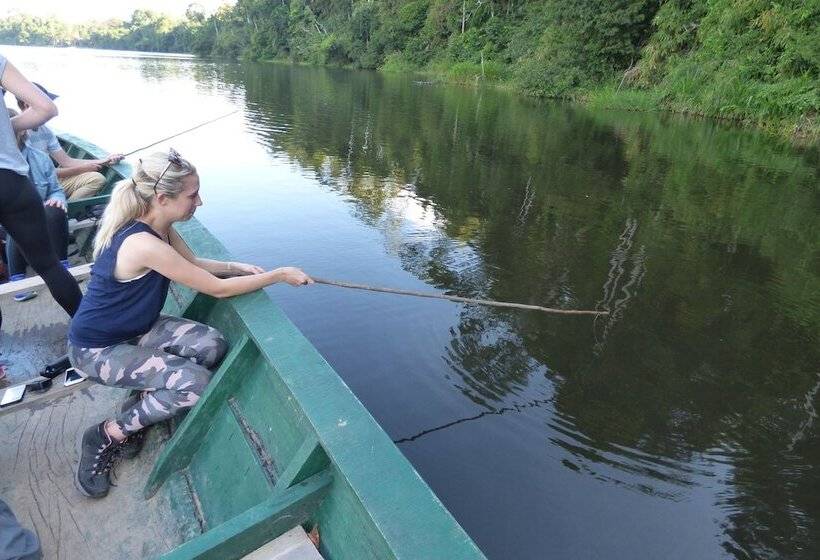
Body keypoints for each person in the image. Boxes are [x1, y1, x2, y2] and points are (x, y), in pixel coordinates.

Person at [69, 148, 313, 498]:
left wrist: (236, 266)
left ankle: (144, 398)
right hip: (96, 350)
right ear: (163, 198)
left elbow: (193, 262)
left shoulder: (158, 226)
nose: (200, 201)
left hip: (133, 332)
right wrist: (277, 275)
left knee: (211, 344)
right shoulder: (142, 243)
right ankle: (109, 433)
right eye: (192, 195)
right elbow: (216, 290)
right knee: (195, 384)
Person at [0, 51, 67, 560]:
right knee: (50, 265)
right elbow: (44, 110)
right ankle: (92, 330)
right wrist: (9, 122)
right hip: (11, 178)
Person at [15, 83, 123, 201]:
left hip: (49, 181)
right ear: (27, 105)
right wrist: (82, 169)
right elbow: (36, 172)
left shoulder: (46, 131)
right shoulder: (16, 133)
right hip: (29, 186)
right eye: (48, 105)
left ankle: (63, 209)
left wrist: (105, 160)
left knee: (97, 179)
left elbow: (67, 161)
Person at [5, 109, 70, 302]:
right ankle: (16, 279)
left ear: (22, 131)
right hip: (8, 222)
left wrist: (58, 198)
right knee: (15, 216)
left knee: (56, 208)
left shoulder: (40, 158)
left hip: (38, 214)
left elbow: (55, 189)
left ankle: (63, 268)